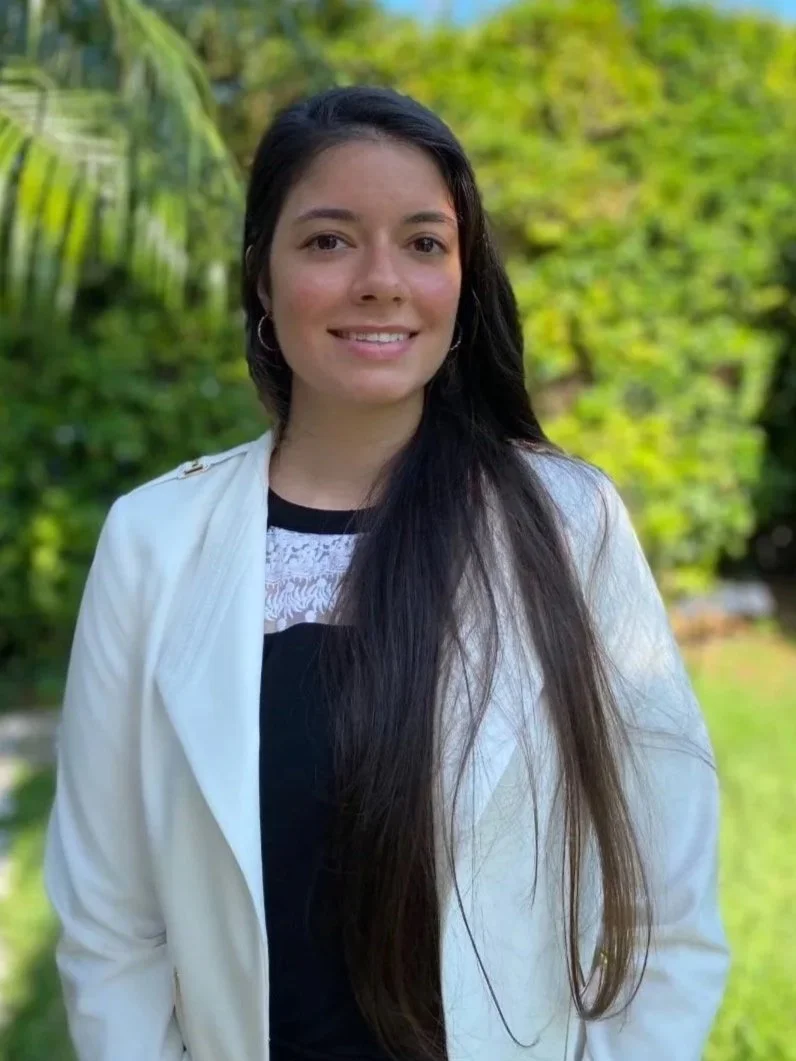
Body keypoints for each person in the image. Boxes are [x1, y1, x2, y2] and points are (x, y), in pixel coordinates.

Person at [43, 84, 730, 1061]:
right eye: (327, 240)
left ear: (464, 277)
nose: (381, 280)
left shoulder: (567, 520)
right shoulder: (151, 538)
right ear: (261, 277)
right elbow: (112, 927)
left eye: (423, 242)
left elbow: (664, 906)